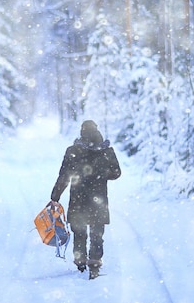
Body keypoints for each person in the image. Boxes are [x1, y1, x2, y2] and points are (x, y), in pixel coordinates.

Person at [50, 120, 121, 279]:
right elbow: (116, 173)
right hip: (99, 200)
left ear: (81, 132)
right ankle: (95, 262)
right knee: (97, 233)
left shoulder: (72, 151)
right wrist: (101, 175)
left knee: (79, 232)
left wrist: (55, 197)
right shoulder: (107, 151)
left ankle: (80, 261)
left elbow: (63, 177)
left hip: (78, 199)